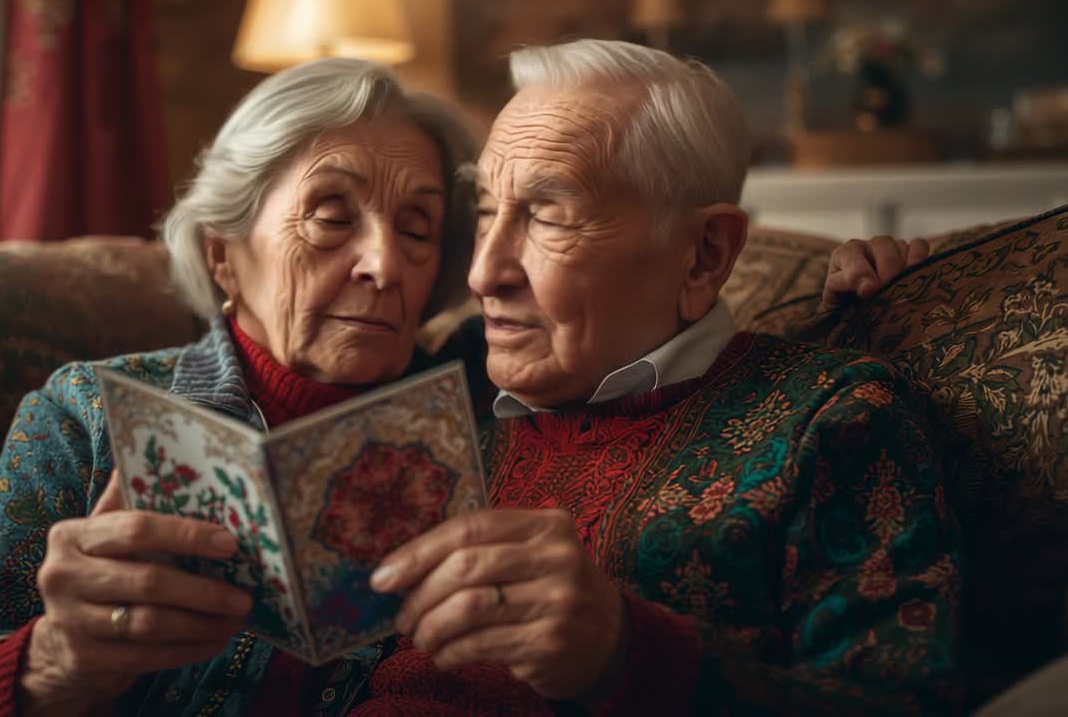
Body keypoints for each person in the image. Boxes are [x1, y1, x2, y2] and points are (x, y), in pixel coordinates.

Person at [0, 52, 929, 717]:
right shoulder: (92, 414)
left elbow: (649, 333)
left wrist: (839, 274)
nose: (387, 264)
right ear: (224, 254)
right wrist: (50, 667)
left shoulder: (474, 402)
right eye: (330, 215)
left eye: (418, 228)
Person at [359, 40, 962, 716]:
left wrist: (622, 653)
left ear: (705, 255)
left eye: (549, 214)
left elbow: (903, 701)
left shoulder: (832, 419)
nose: (483, 275)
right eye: (487, 213)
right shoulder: (450, 389)